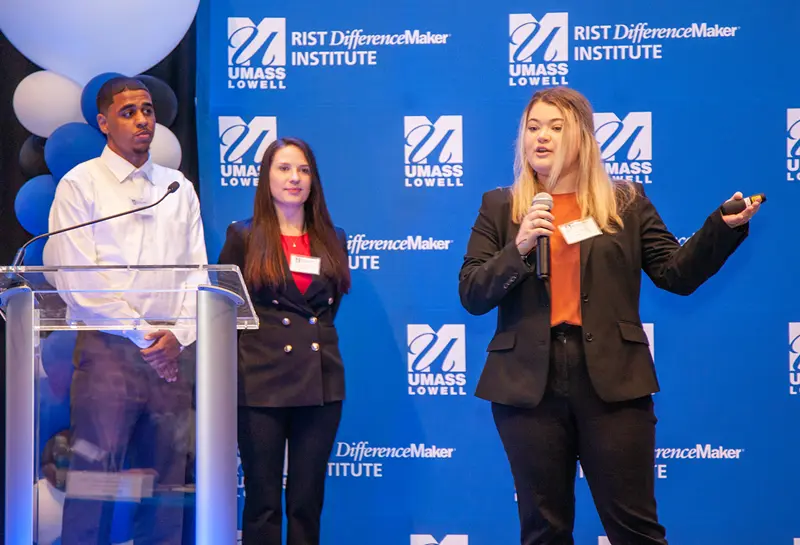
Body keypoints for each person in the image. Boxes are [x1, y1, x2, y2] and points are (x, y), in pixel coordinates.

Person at [458, 86, 760, 545]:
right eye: (533, 128)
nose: (541, 137)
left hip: (612, 380)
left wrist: (721, 228)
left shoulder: (624, 202)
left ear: (582, 136)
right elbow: (473, 293)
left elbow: (674, 273)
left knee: (634, 527)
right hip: (527, 386)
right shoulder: (501, 206)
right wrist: (518, 248)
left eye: (556, 127)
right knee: (542, 531)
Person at [43, 76, 208, 544]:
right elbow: (80, 280)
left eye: (148, 110)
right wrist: (143, 336)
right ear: (103, 123)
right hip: (109, 353)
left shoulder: (177, 188)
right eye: (128, 112)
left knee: (168, 487)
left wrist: (177, 335)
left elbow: (196, 272)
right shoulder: (81, 185)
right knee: (93, 481)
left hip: (171, 356)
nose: (142, 120)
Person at [217, 137, 350, 545]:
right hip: (260, 382)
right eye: (284, 168)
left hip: (320, 382)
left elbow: (325, 311)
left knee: (307, 500)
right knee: (263, 500)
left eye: (303, 170)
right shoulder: (243, 236)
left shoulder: (333, 237)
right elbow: (225, 308)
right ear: (266, 177)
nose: (295, 178)